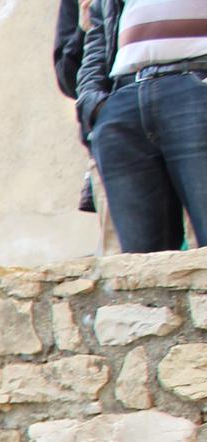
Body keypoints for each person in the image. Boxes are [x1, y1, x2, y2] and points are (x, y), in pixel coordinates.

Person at [74, 0, 207, 256]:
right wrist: (95, 103)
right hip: (124, 99)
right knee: (141, 266)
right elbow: (99, 31)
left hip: (197, 86)